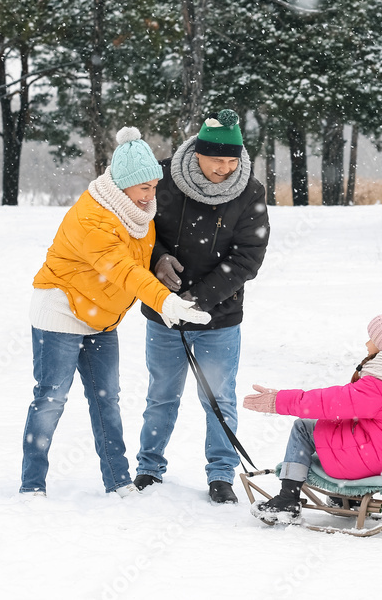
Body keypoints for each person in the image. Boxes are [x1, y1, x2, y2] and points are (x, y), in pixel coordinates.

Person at [19, 127, 211, 497]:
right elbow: (122, 269)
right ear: (123, 185)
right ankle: (32, 485)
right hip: (61, 309)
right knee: (50, 399)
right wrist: (165, 302)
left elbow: (140, 260)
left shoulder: (138, 213)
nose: (151, 196)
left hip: (101, 315)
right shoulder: (93, 217)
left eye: (154, 187)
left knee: (106, 398)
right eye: (144, 188)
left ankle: (118, 480)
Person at [133, 109, 269, 504]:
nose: (225, 169)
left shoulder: (250, 191)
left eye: (233, 160)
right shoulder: (163, 180)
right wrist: (157, 258)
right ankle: (148, 467)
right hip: (163, 311)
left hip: (219, 315)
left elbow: (249, 257)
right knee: (161, 393)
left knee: (218, 397)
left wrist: (196, 300)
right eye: (217, 160)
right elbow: (138, 228)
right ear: (197, 155)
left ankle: (221, 473)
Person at [241, 310, 382, 523]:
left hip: (366, 462)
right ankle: (348, 498)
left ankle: (287, 500)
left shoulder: (379, 385)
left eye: (373, 338)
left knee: (305, 427)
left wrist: (278, 400)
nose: (367, 343)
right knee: (347, 429)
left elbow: (329, 403)